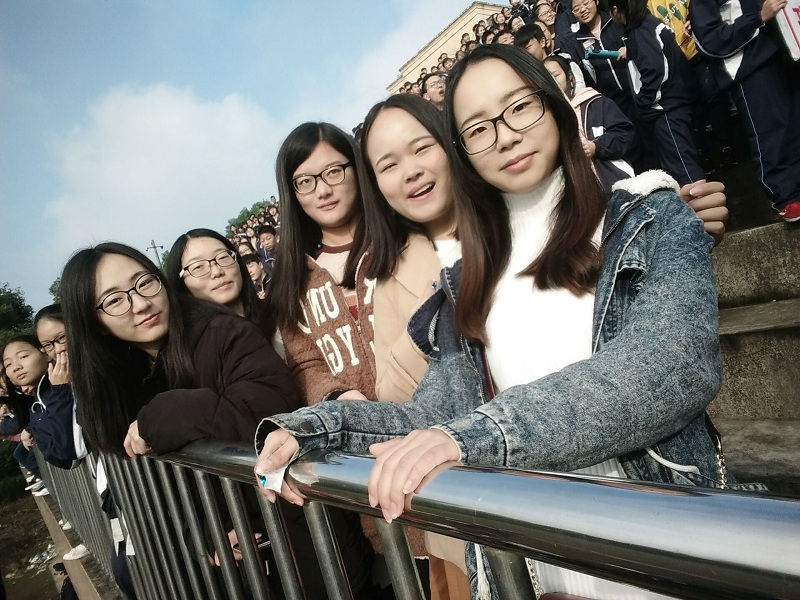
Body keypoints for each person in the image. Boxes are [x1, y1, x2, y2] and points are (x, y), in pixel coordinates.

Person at [255, 44, 732, 599]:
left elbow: (671, 366)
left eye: (519, 107)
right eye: (478, 129)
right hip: (531, 571)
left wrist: (477, 436)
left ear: (555, 104)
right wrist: (314, 429)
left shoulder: (649, 217)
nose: (504, 136)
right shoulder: (467, 282)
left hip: (659, 553)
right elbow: (432, 416)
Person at [60, 242, 300, 458]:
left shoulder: (226, 333)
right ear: (94, 325)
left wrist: (164, 414)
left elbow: (273, 418)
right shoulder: (121, 374)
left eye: (144, 283)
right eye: (114, 300)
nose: (142, 304)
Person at [263, 122, 376, 406]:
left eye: (334, 172)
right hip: (357, 426)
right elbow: (305, 364)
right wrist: (336, 394)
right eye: (305, 181)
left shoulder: (399, 245)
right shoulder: (293, 278)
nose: (322, 190)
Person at [689, 0, 800, 221]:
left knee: (795, 128)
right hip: (752, 66)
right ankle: (786, 197)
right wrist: (757, 18)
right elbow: (710, 40)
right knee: (770, 134)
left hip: (790, 51)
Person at [608, 0, 705, 185]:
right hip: (673, 104)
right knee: (682, 166)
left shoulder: (640, 31)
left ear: (616, 10)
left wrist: (644, 102)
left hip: (666, 108)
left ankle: (703, 203)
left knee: (686, 171)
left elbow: (655, 71)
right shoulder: (648, 24)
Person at [545, 54, 637, 188]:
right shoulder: (549, 119)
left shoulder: (598, 103)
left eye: (555, 75)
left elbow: (625, 135)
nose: (552, 82)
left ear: (570, 76)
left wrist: (596, 147)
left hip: (617, 185)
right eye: (547, 79)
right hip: (582, 192)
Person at [26, 305, 89, 469]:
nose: (59, 349)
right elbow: (68, 453)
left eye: (62, 337)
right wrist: (61, 390)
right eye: (48, 345)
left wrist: (61, 390)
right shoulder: (57, 384)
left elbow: (73, 449)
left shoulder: (107, 365)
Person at [166, 229, 262, 320]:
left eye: (223, 257)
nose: (217, 272)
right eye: (198, 267)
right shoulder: (205, 332)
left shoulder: (271, 311)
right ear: (181, 283)